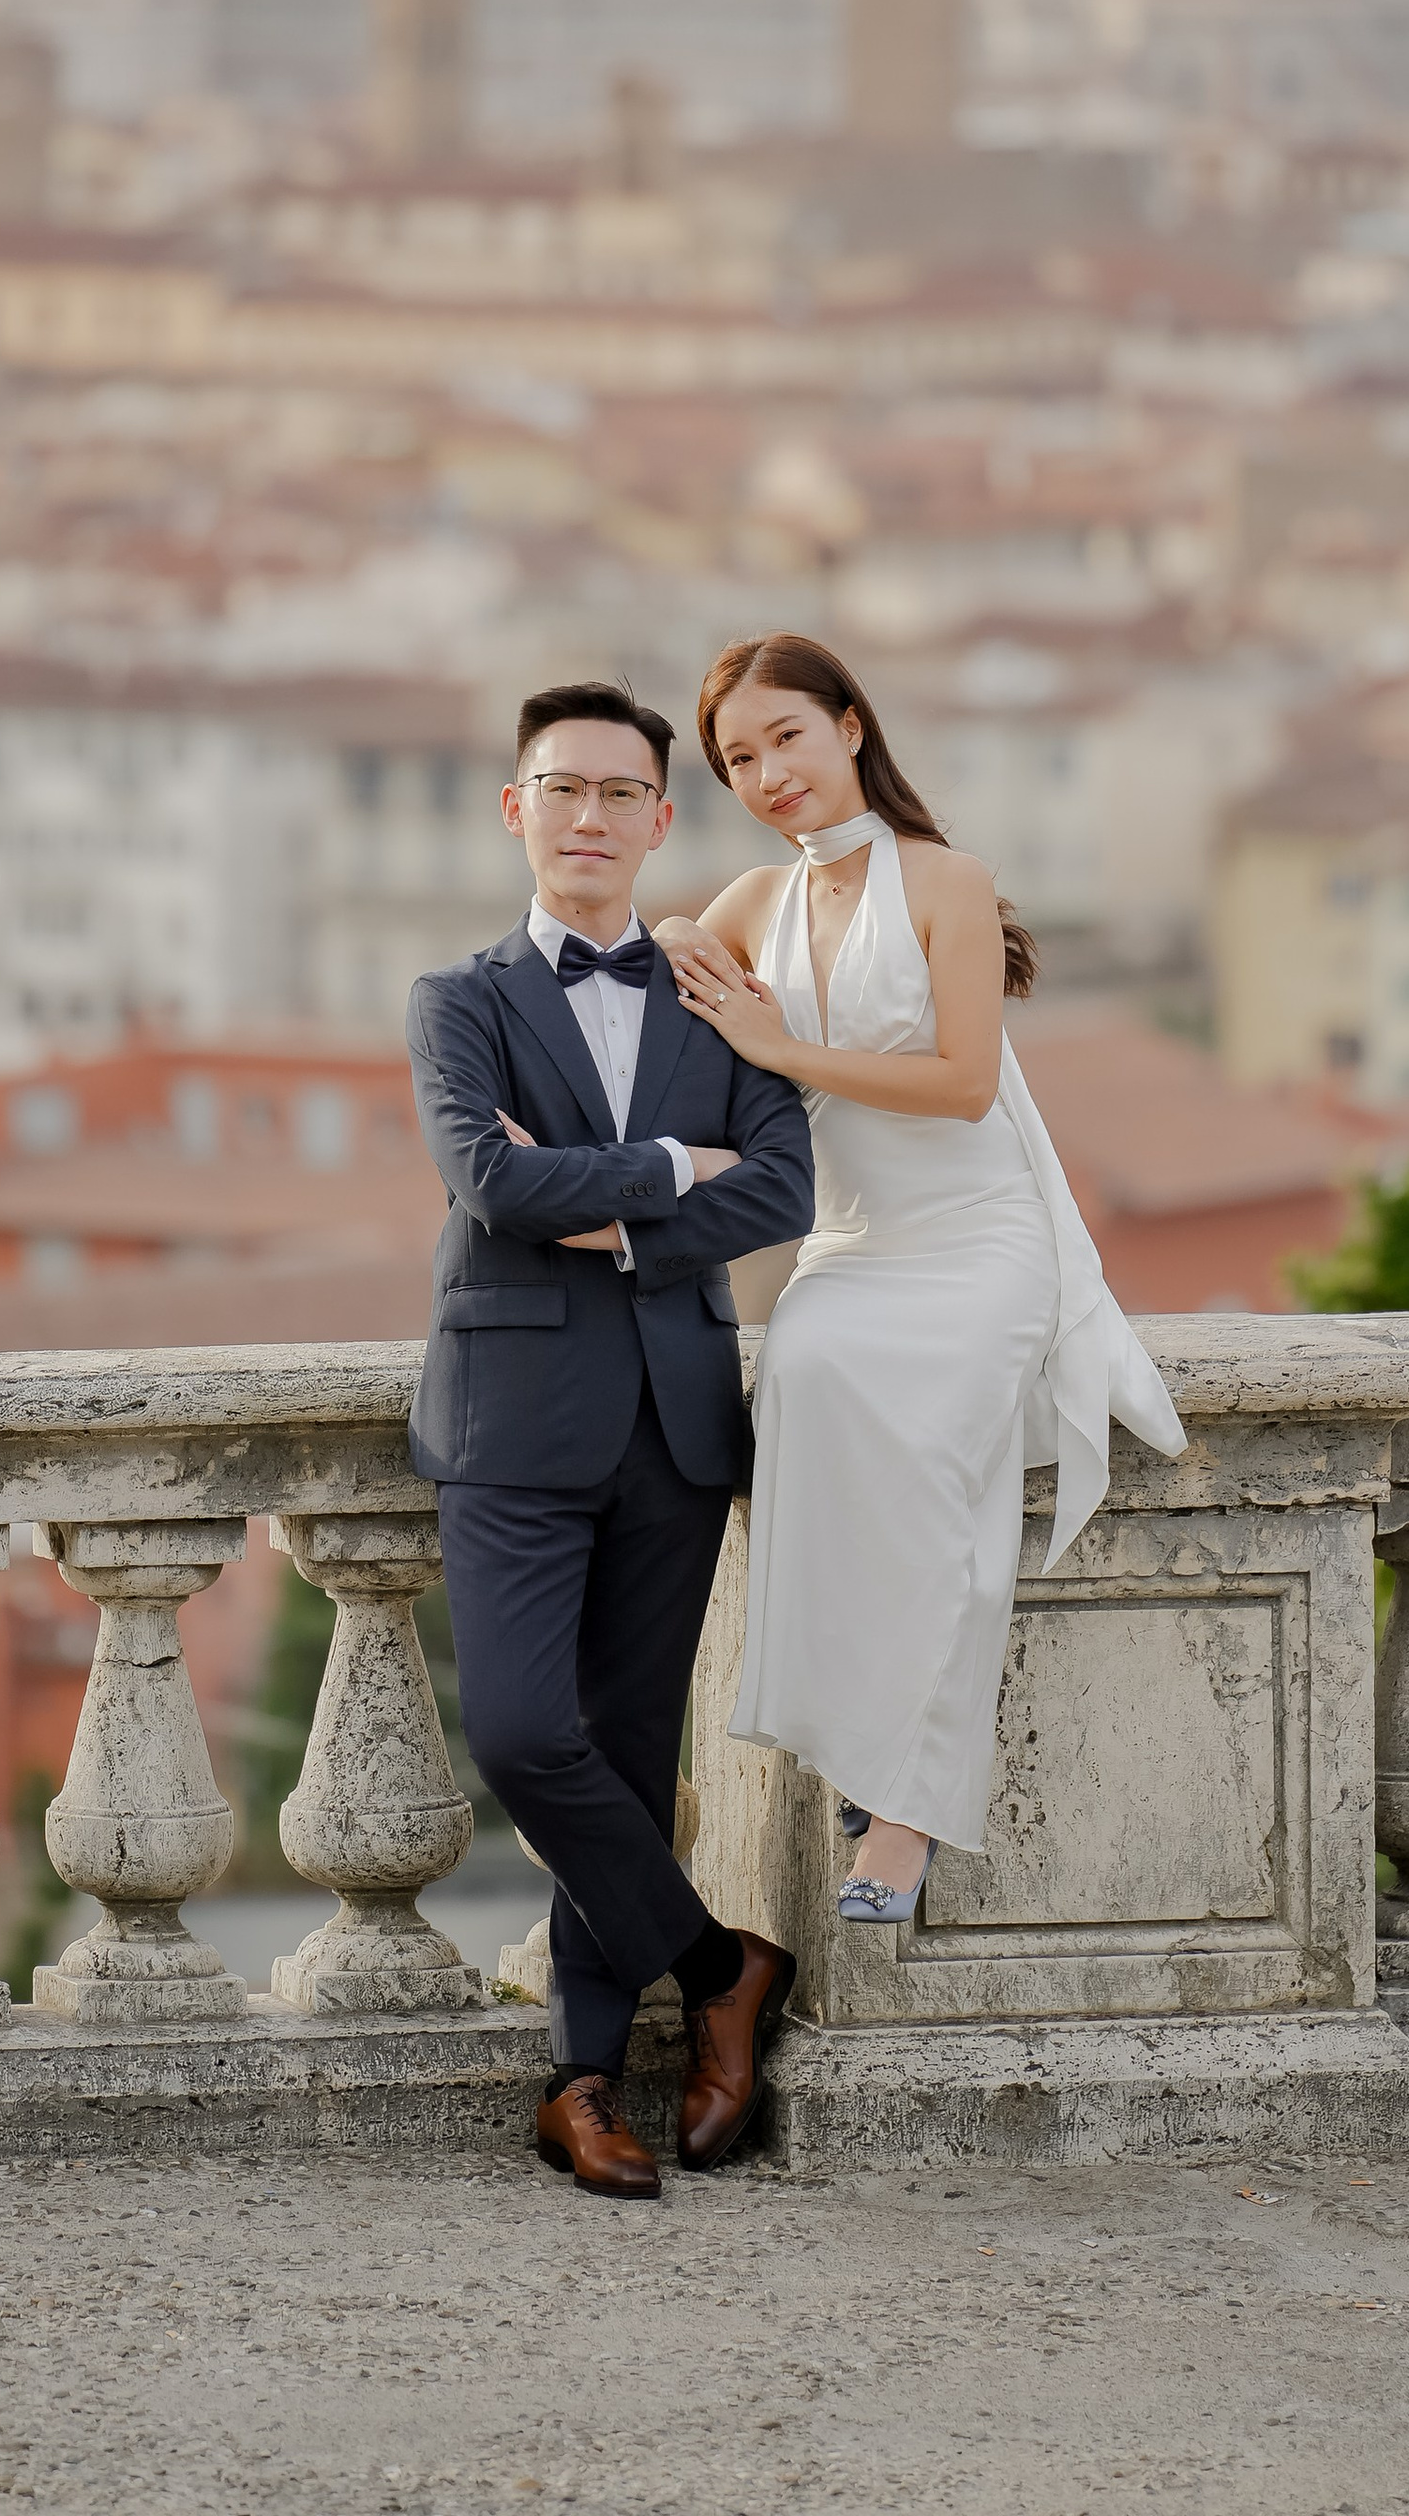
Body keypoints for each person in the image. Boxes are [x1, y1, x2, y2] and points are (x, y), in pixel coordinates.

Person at [655, 632, 1186, 1921]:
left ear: (848, 726)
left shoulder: (947, 880)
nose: (770, 772)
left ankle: (905, 1813)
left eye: (788, 736)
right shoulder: (752, 905)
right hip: (852, 1246)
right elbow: (652, 969)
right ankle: (864, 1732)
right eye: (739, 759)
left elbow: (959, 1084)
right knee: (808, 1377)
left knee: (952, 1474)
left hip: (977, 1233)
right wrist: (674, 930)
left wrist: (780, 1043)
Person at [405, 679, 817, 2200]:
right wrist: (664, 1164)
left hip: (676, 1419)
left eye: (618, 794)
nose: (588, 817)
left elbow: (777, 1190)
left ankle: (586, 2081)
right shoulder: (458, 1003)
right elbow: (491, 1187)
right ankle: (723, 1964)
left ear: (660, 818)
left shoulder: (721, 994)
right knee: (521, 1734)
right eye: (559, 790)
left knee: (632, 1762)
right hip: (511, 1421)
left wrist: (612, 1212)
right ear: (517, 811)